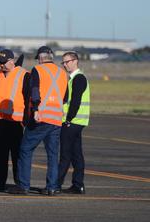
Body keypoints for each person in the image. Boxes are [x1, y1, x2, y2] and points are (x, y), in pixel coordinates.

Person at [9, 46, 68, 196]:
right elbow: (65, 97)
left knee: (25, 149)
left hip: (41, 117)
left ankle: (23, 185)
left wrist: (35, 109)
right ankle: (52, 187)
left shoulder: (38, 70)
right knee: (53, 155)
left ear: (40, 58)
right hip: (56, 119)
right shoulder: (62, 73)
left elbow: (35, 91)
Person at [0, 49, 29, 192]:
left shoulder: (23, 75)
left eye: (4, 62)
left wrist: (26, 119)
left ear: (12, 61)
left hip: (15, 122)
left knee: (16, 155)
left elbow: (28, 98)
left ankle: (19, 183)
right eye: (0, 63)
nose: (2, 65)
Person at [58, 51, 90, 194]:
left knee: (65, 154)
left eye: (67, 62)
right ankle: (78, 185)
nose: (65, 65)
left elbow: (75, 102)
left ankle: (55, 184)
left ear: (75, 61)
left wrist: (68, 119)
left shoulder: (78, 78)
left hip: (72, 122)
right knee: (76, 154)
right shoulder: (72, 78)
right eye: (63, 62)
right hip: (77, 122)